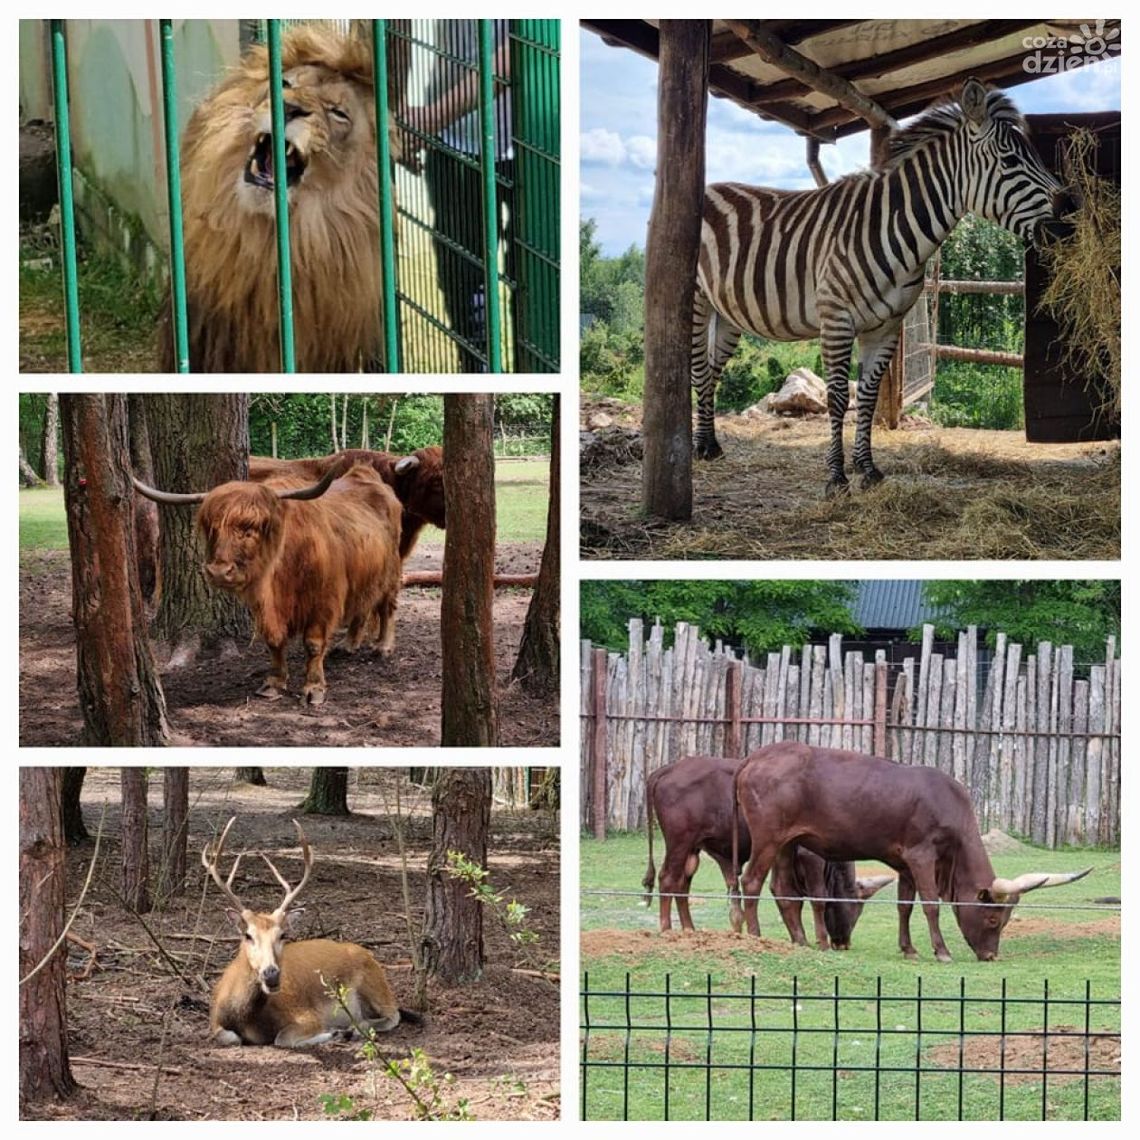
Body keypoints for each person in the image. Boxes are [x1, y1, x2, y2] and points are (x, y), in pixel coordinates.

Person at [396, 19, 515, 372]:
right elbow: (395, 24)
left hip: (530, 142)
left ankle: (533, 368)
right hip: (452, 140)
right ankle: (474, 368)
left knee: (533, 280)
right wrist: (399, 116)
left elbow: (522, 45)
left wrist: (431, 117)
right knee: (461, 277)